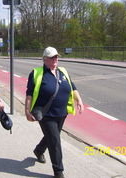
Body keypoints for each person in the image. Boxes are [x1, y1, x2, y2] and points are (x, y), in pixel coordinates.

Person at [25, 46, 84, 178]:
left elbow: (72, 87)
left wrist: (79, 100)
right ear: (44, 59)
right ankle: (59, 172)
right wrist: (27, 111)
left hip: (62, 113)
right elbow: (29, 93)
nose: (54, 59)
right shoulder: (36, 73)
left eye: (56, 57)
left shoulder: (62, 71)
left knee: (52, 136)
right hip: (46, 114)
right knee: (55, 140)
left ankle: (39, 150)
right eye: (51, 57)